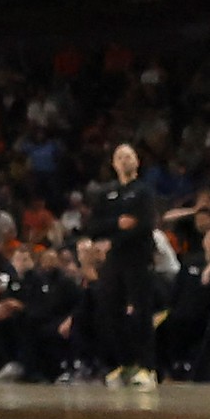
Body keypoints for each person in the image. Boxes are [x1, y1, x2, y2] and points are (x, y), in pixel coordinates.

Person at [78, 141, 161, 386]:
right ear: (113, 164)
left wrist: (113, 240)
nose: (124, 160)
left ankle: (147, 367)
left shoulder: (143, 191)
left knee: (141, 312)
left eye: (129, 156)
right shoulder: (106, 193)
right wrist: (117, 224)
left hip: (137, 258)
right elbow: (94, 226)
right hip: (114, 263)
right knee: (110, 311)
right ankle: (124, 363)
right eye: (119, 157)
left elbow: (143, 225)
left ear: (137, 162)